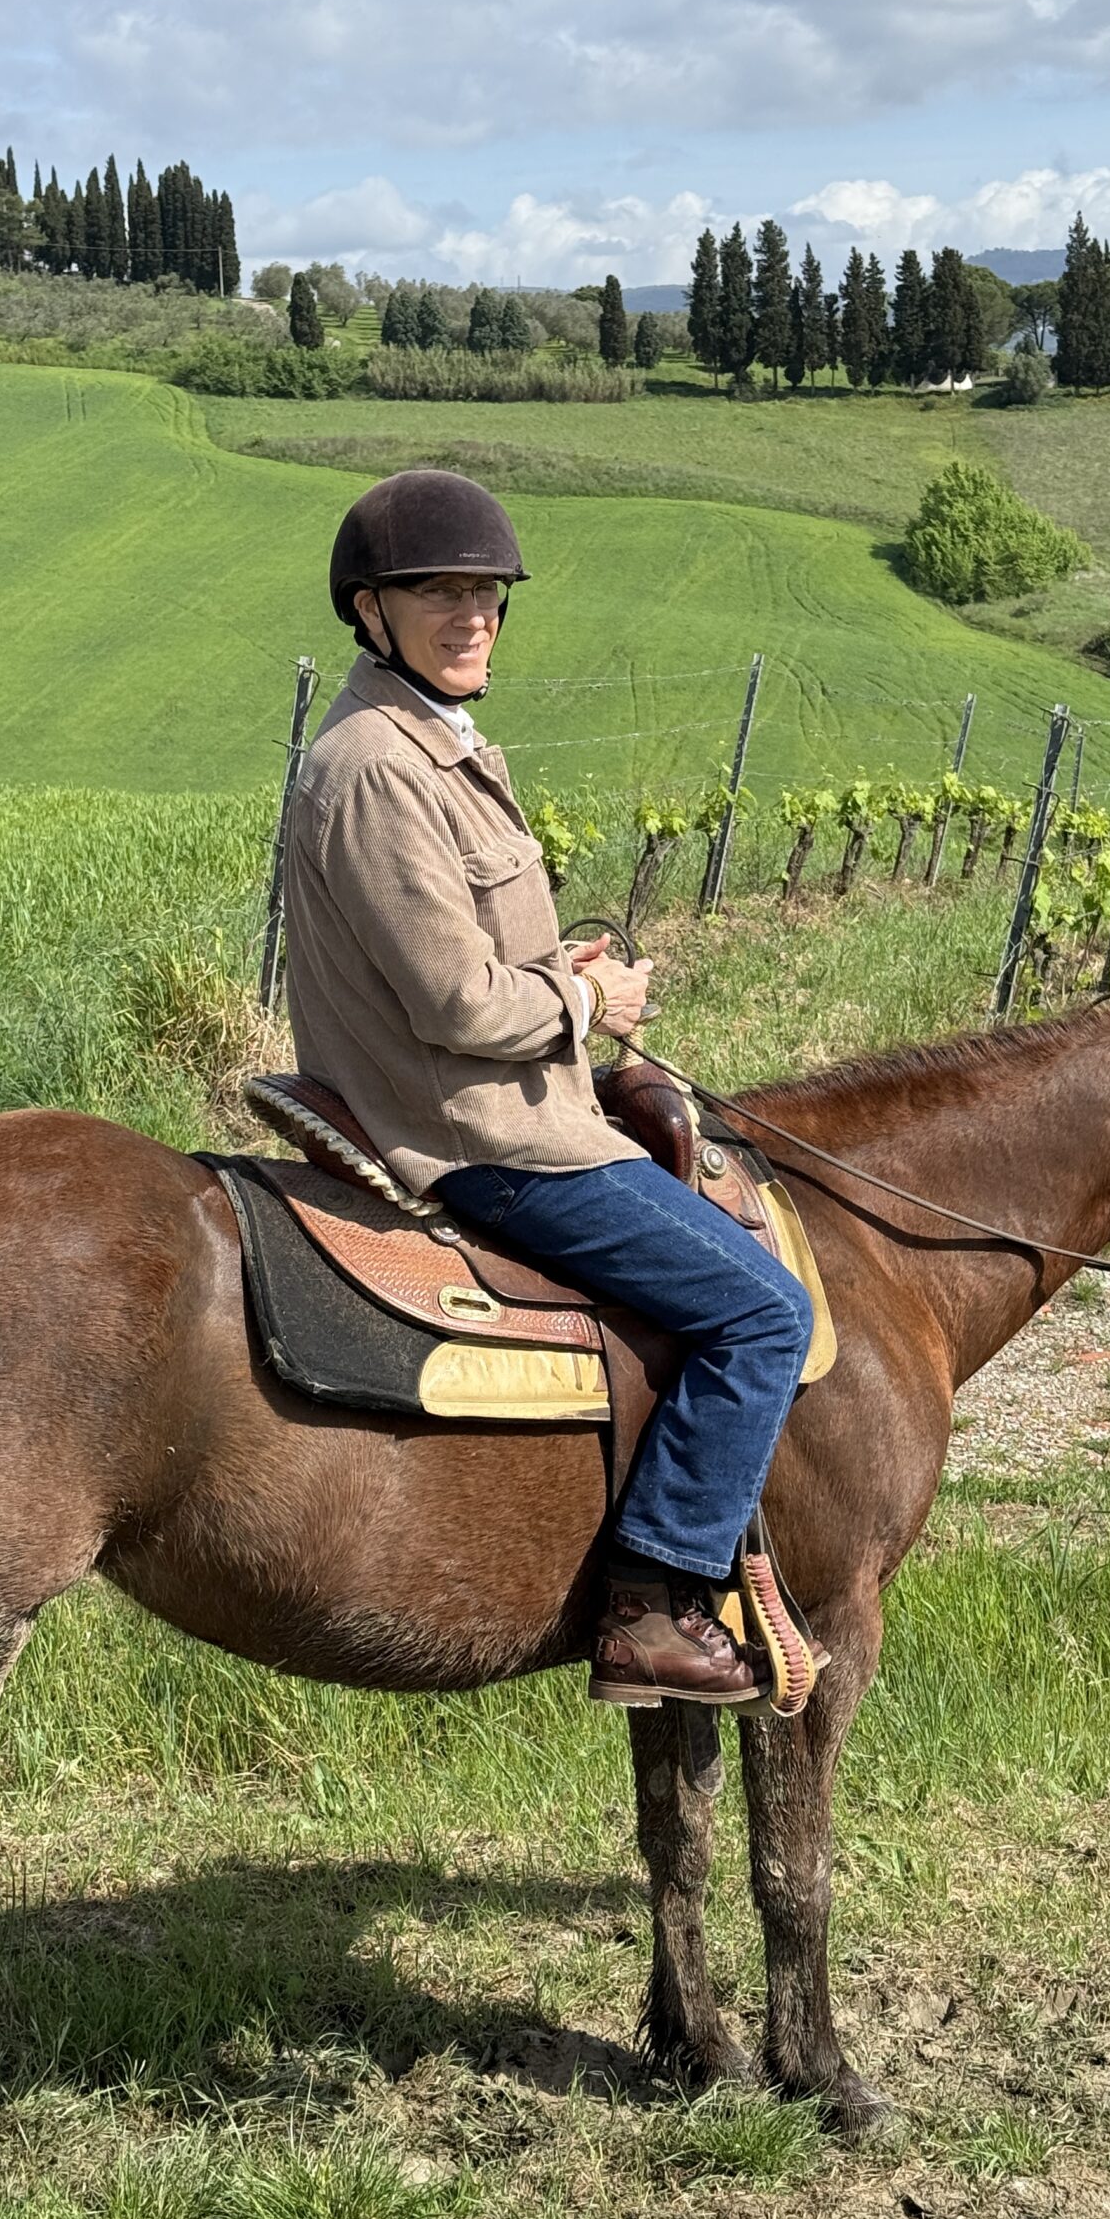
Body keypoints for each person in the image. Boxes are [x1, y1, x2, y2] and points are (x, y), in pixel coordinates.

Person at [282, 469, 814, 1707]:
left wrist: (549, 970)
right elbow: (457, 1008)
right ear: (369, 610)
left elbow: (464, 958)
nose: (471, 614)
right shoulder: (375, 768)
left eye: (487, 592)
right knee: (765, 1311)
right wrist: (590, 1006)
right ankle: (653, 1596)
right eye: (436, 592)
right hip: (484, 1137)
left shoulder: (439, 743)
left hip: (512, 1100)